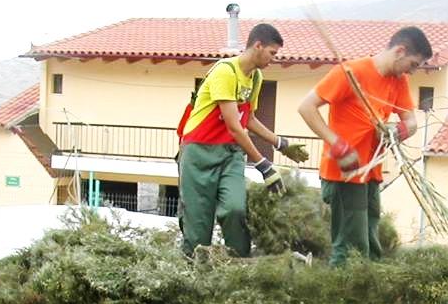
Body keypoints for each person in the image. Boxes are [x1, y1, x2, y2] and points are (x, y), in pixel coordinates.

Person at [298, 26, 432, 266]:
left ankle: (368, 288)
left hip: (370, 172)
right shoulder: (350, 72)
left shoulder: (398, 81)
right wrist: (336, 143)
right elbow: (306, 107)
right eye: (413, 64)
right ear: (400, 51)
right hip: (345, 172)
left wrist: (398, 131)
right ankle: (342, 294)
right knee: (351, 247)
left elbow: (411, 122)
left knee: (370, 241)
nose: (412, 71)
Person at [178, 22, 309, 257]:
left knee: (234, 210)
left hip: (229, 154)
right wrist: (264, 165)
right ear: (257, 46)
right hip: (198, 153)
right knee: (198, 229)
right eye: (272, 53)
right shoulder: (225, 72)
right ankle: (195, 275)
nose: (273, 59)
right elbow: (234, 126)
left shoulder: (255, 77)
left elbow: (248, 119)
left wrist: (281, 143)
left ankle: (239, 266)